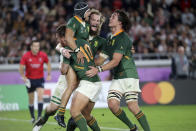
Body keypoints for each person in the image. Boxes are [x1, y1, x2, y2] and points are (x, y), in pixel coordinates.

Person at [33, 9, 105, 131]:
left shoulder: (94, 38)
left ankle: (69, 121)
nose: (94, 22)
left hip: (83, 80)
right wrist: (62, 50)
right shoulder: (76, 32)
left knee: (78, 114)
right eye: (92, 19)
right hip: (66, 80)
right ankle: (44, 117)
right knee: (53, 109)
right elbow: (61, 44)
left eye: (97, 21)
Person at [86, 10, 151, 131]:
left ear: (120, 22)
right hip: (118, 77)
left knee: (132, 106)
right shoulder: (110, 39)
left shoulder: (122, 38)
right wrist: (85, 66)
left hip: (128, 75)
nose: (110, 18)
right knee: (112, 105)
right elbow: (100, 60)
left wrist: (98, 69)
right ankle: (132, 128)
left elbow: (115, 61)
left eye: (113, 17)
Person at [19, 41, 51, 124]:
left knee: (40, 96)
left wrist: (49, 74)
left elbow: (48, 63)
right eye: (35, 46)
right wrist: (23, 76)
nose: (37, 48)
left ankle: (39, 116)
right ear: (31, 47)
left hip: (40, 79)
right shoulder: (26, 56)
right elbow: (21, 67)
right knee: (31, 99)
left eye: (38, 46)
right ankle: (33, 117)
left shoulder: (43, 55)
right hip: (29, 80)